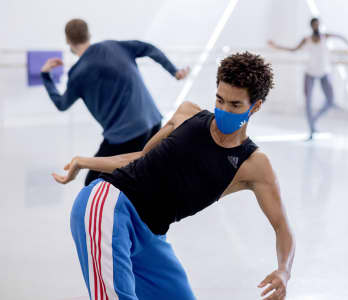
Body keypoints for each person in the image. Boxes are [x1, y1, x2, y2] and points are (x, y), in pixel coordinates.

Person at [52, 52, 295, 300]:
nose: (223, 110)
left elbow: (282, 227)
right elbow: (140, 158)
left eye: (234, 105)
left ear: (255, 107)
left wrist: (284, 271)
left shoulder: (254, 165)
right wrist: (85, 162)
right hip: (110, 204)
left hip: (151, 235)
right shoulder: (187, 114)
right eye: (219, 100)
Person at [41, 18, 190, 186]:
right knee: (139, 174)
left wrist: (46, 76)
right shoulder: (114, 46)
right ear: (89, 34)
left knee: (93, 183)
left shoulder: (77, 74)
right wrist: (174, 71)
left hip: (125, 136)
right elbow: (150, 48)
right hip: (153, 123)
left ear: (68, 40)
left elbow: (61, 104)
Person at [268, 17, 348, 139]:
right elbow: (293, 50)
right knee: (308, 102)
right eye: (314, 25)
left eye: (318, 24)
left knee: (331, 100)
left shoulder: (325, 36)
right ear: (311, 26)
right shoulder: (307, 39)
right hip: (310, 73)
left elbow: (342, 38)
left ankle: (314, 119)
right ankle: (311, 129)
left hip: (324, 73)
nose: (316, 26)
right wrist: (276, 46)